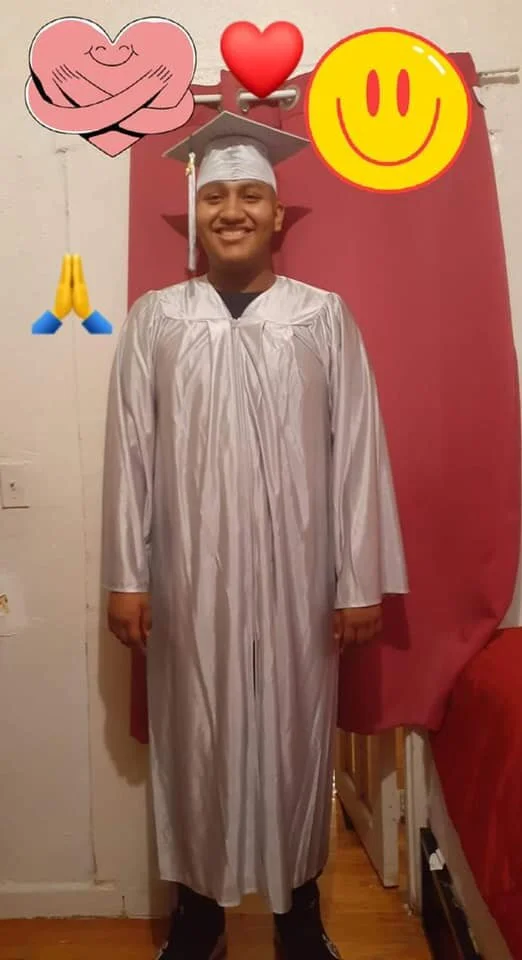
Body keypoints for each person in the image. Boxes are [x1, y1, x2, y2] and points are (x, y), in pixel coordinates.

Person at [101, 110, 408, 960]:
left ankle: (296, 914)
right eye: (214, 197)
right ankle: (199, 917)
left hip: (297, 574)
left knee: (295, 735)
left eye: (248, 196)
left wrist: (357, 580)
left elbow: (356, 450)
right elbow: (130, 452)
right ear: (196, 213)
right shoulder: (157, 318)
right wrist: (127, 574)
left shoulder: (322, 317)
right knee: (193, 734)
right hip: (188, 575)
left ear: (276, 215)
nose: (231, 211)